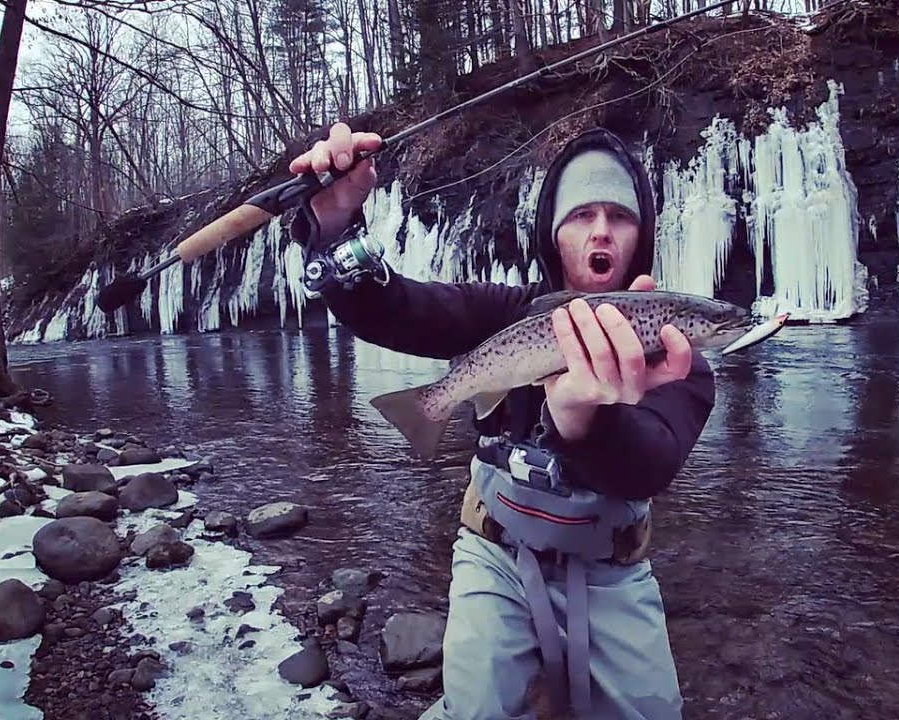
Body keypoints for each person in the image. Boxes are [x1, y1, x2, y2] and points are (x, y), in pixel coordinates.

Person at [288, 122, 716, 719]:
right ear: (552, 232)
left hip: (613, 571)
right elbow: (397, 310)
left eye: (619, 215)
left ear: (640, 236)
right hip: (495, 555)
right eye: (581, 214)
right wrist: (335, 225)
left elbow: (653, 463)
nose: (600, 230)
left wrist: (582, 422)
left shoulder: (676, 357)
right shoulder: (507, 313)